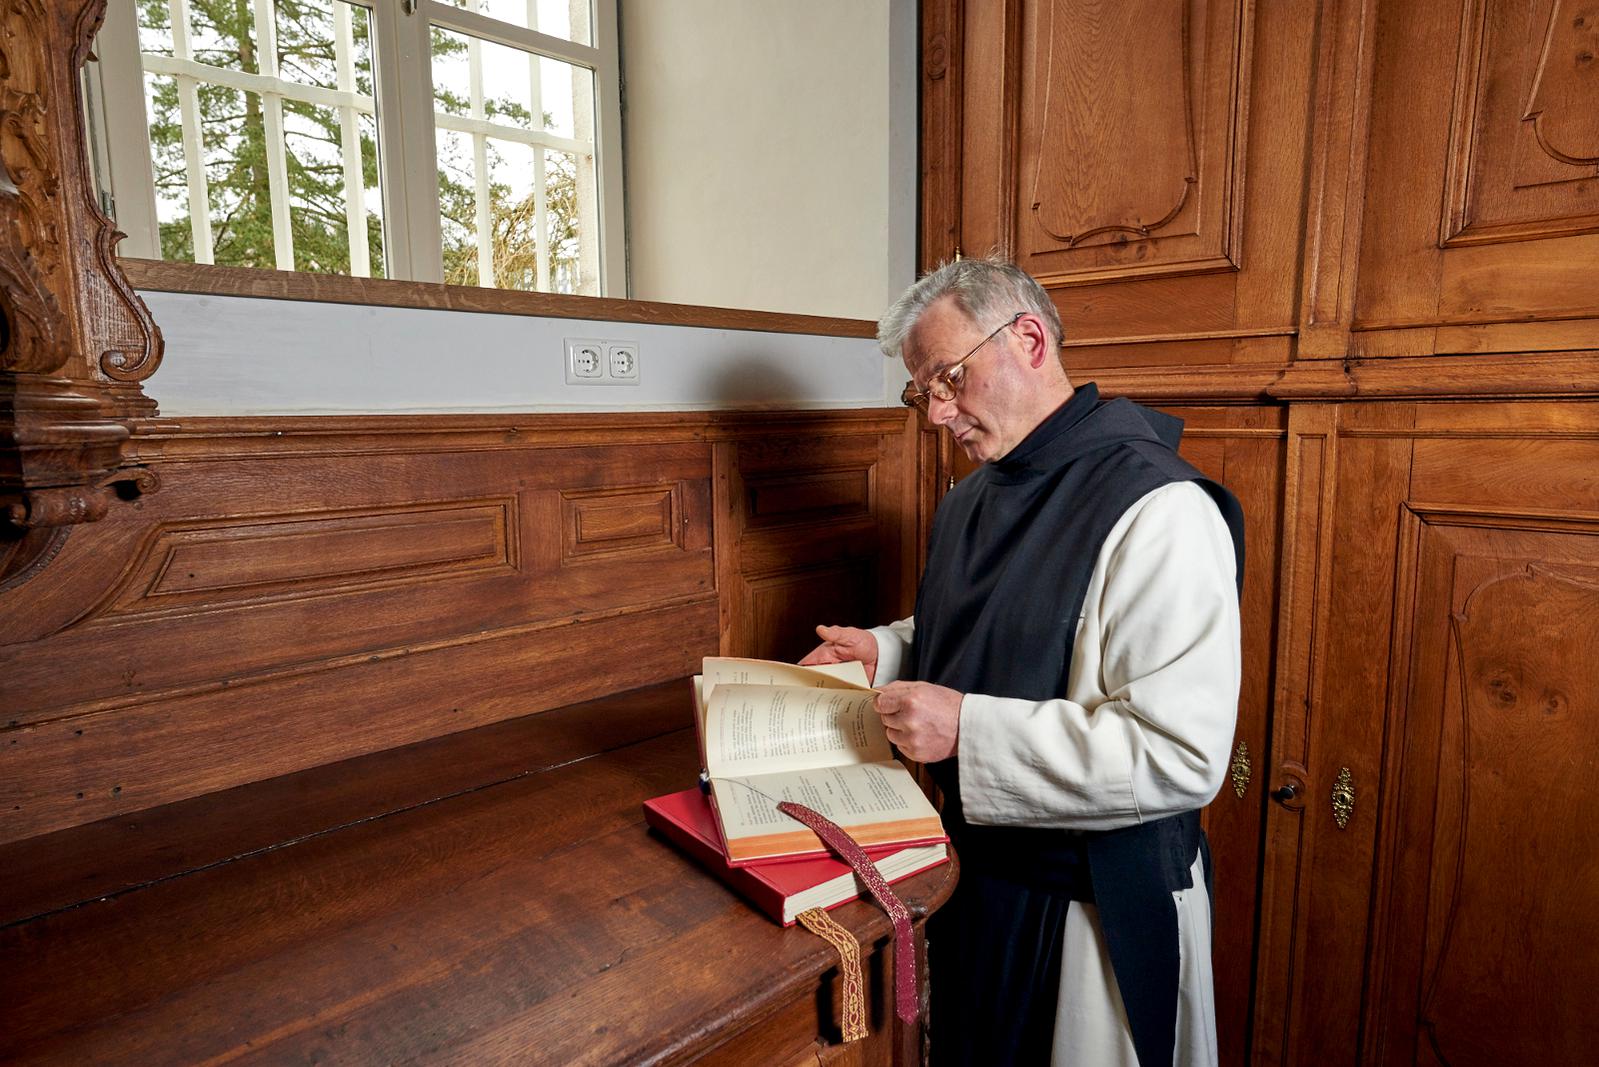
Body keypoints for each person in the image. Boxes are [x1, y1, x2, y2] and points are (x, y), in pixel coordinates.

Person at [801, 258, 1244, 1066]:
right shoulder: (973, 495)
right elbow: (1011, 626)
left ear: (1029, 338)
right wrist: (887, 649)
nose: (936, 412)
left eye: (949, 377)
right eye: (921, 390)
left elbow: (1181, 754)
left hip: (1088, 906)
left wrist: (966, 730)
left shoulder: (1161, 510)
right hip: (974, 882)